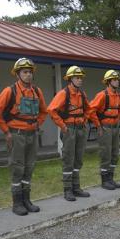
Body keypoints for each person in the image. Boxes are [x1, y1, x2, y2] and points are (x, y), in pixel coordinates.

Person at [0, 58, 48, 216]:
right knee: (18, 167)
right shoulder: (9, 91)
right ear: (17, 74)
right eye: (25, 72)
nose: (28, 75)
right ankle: (17, 203)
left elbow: (44, 111)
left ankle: (26, 200)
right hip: (16, 135)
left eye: (30, 72)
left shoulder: (37, 91)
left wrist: (38, 123)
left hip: (32, 134)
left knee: (29, 166)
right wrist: (6, 131)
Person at [47, 66, 96, 201]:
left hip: (81, 129)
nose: (80, 80)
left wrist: (85, 119)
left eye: (81, 78)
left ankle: (76, 187)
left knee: (78, 158)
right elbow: (51, 110)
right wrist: (62, 126)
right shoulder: (64, 94)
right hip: (69, 129)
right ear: (70, 79)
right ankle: (67, 190)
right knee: (68, 159)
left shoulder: (82, 94)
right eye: (77, 78)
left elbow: (89, 109)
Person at [89, 70, 120, 190]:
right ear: (108, 82)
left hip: (114, 128)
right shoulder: (102, 95)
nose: (117, 82)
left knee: (115, 154)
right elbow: (91, 110)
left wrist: (117, 121)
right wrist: (98, 126)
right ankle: (105, 181)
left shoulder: (119, 96)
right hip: (105, 128)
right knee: (106, 154)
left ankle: (111, 178)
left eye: (118, 80)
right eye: (114, 80)